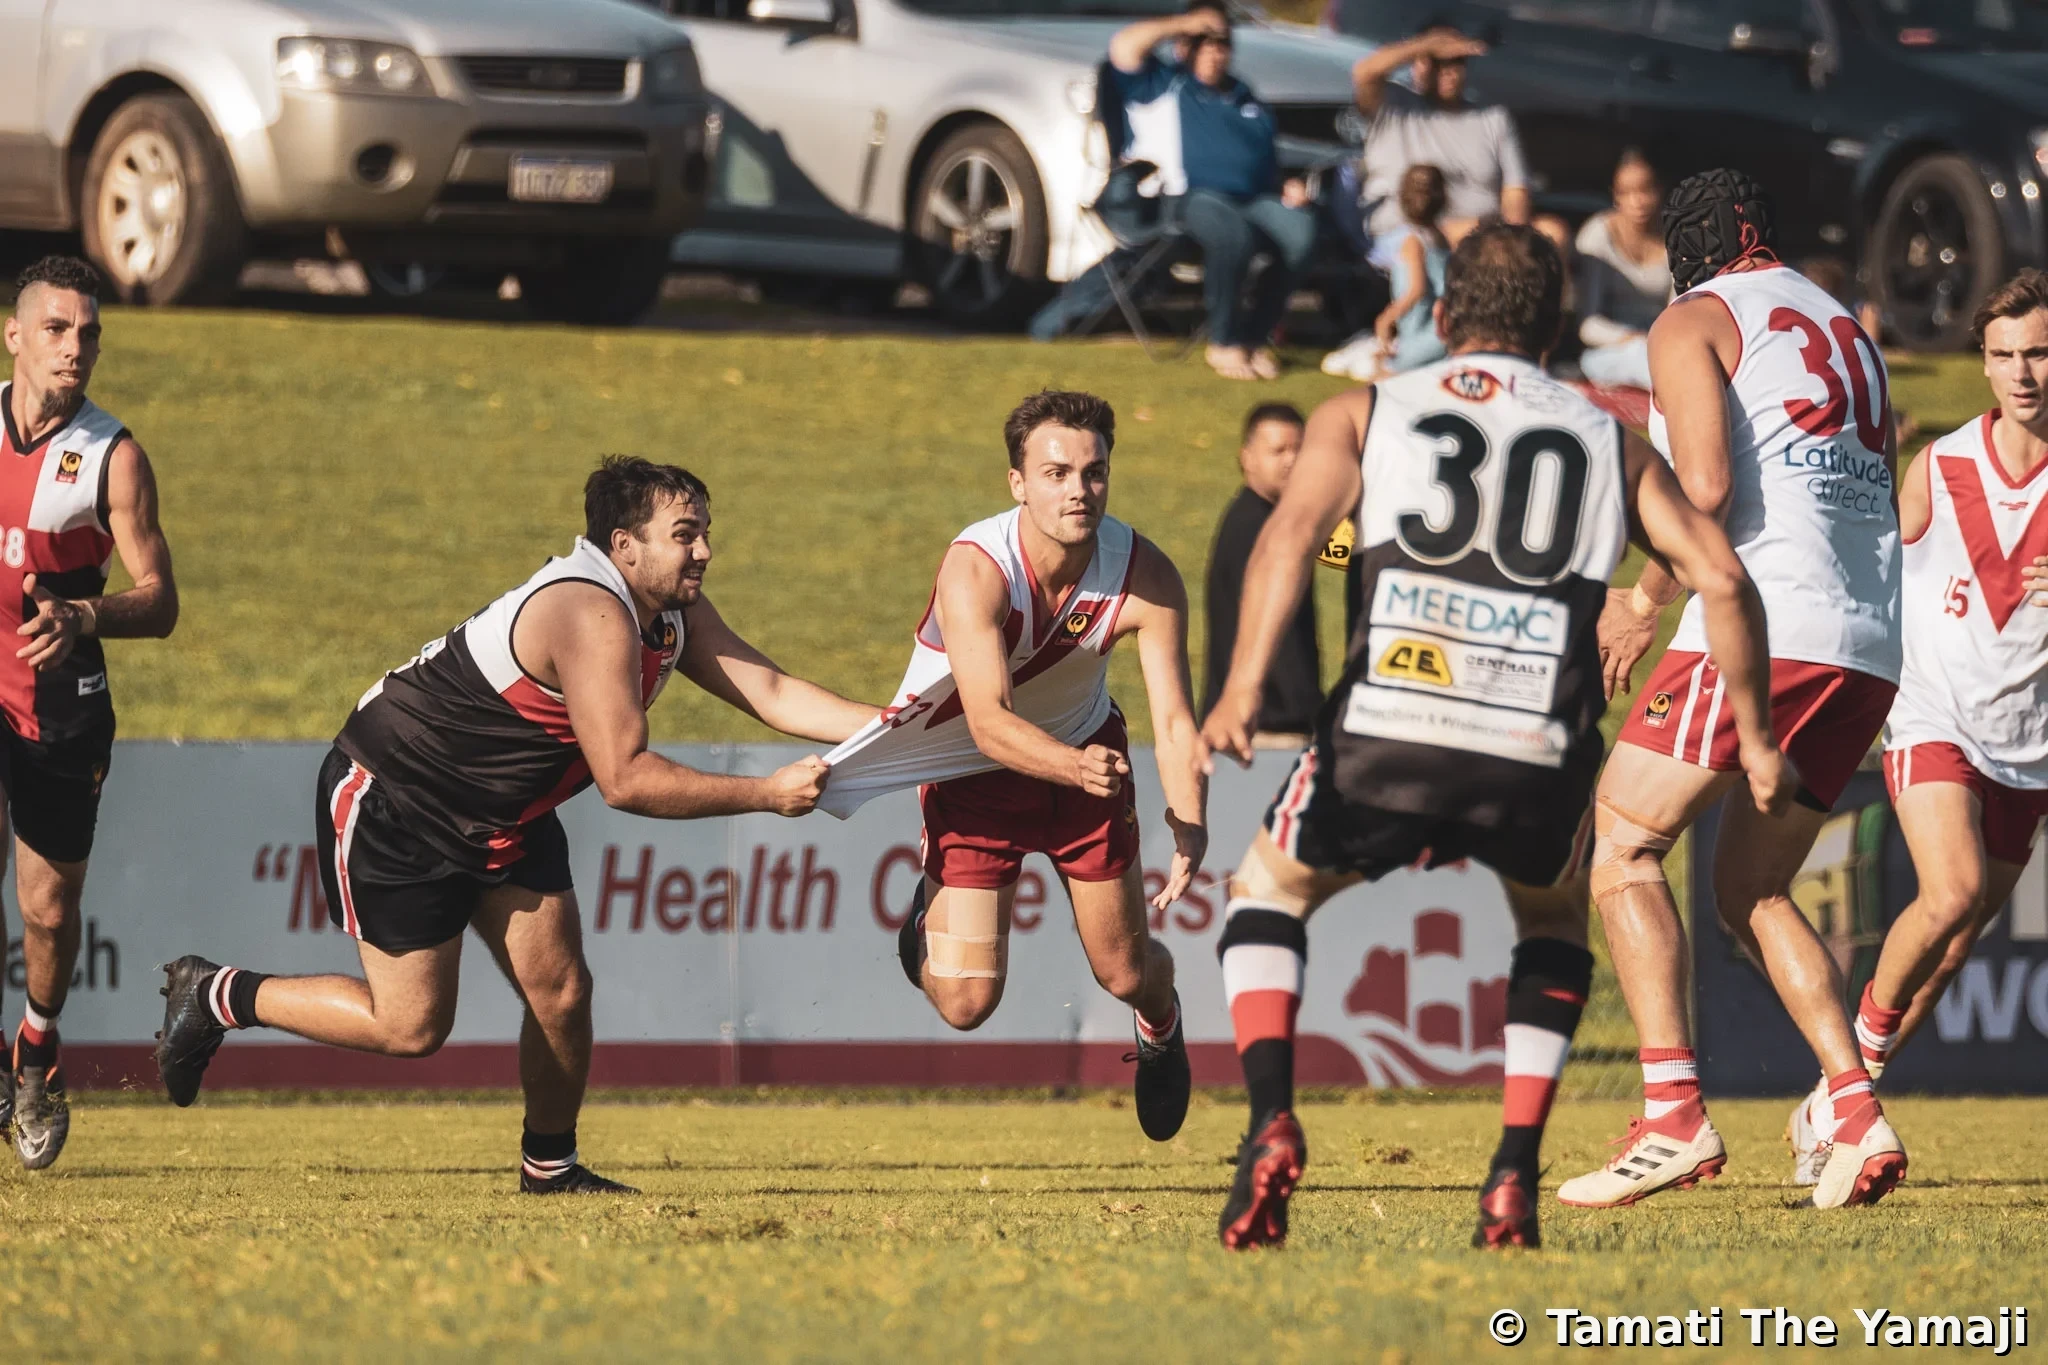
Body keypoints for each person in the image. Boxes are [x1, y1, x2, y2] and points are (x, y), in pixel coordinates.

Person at [1199, 223, 1790, 1251]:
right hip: (1531, 745)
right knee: (1554, 922)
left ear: (1439, 317)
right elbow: (1723, 579)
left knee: (1269, 894)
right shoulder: (1608, 436)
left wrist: (1241, 686)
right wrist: (1755, 733)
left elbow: (1290, 536)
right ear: (1556, 325)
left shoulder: (1364, 408)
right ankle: (1511, 1171)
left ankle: (1268, 1121)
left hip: (1385, 727)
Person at [154, 458, 875, 1192]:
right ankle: (218, 993)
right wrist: (766, 792)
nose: (704, 552)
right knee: (410, 1029)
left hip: (507, 812)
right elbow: (624, 779)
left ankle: (550, 1168)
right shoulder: (589, 612)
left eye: (706, 533)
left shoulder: (671, 613)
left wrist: (898, 726)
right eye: (685, 535)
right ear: (624, 545)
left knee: (561, 992)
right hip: (400, 800)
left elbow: (775, 691)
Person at [1568, 170, 1908, 1213]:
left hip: (1771, 619)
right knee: (1746, 892)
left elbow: (1704, 491)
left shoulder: (1691, 318)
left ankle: (1672, 1115)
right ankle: (1851, 1107)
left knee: (1620, 840)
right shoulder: (1836, 317)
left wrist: (1639, 595)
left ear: (1684, 249)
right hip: (1871, 644)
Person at [818, 390, 1208, 1142]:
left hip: (1085, 759)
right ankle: (922, 929)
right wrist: (1073, 768)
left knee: (1126, 973)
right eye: (1056, 472)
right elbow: (989, 723)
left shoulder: (1145, 571)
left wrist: (1189, 813)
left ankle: (1161, 1025)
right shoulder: (977, 570)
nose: (1078, 491)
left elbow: (1176, 716)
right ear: (1017, 483)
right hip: (978, 773)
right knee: (965, 1004)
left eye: (1093, 473)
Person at [1786, 270, 2048, 1183]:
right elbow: (1874, 568)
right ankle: (1847, 1094)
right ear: (1982, 364)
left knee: (1958, 936)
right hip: (1933, 713)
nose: (2024, 373)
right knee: (1952, 890)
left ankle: (1836, 1097)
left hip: (2028, 744)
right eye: (2006, 355)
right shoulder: (1939, 464)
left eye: (2039, 353)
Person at [0, 256, 179, 1171]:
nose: (78, 347)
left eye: (91, 332)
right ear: (17, 334)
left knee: (46, 908)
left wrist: (83, 614)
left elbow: (162, 598)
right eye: (60, 329)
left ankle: (36, 1049)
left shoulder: (113, 453)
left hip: (59, 702)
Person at [1105, 2, 1318, 381]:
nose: (1215, 51)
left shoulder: (1243, 95)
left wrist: (1287, 186)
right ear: (1185, 46)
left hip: (1253, 198)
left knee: (1300, 232)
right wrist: (1187, 22)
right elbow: (1124, 46)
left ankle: (1254, 338)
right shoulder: (1160, 83)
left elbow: (1264, 161)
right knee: (1232, 233)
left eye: (1222, 43)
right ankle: (1224, 341)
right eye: (1204, 42)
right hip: (1183, 199)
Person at [1350, 21, 1568, 255]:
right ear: (1419, 64)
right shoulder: (1393, 106)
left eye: (1457, 62)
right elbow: (1364, 72)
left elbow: (1515, 190)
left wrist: (1514, 238)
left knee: (1554, 233)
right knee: (1468, 240)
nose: (1449, 72)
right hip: (1410, 233)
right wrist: (1427, 44)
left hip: (1488, 233)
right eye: (1439, 62)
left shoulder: (1493, 118)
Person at [1202, 403, 1318, 744]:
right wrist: (1309, 711)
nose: (1291, 460)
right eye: (1278, 450)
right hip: (1267, 730)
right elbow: (1281, 640)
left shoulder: (1265, 520)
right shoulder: (1258, 529)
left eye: (1299, 449)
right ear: (1247, 457)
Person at [1322, 164, 1450, 381]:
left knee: (1383, 380)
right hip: (1439, 331)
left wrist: (1386, 318)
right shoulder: (1440, 238)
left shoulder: (1412, 241)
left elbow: (1416, 289)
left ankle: (1367, 352)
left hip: (1424, 334)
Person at [1575, 149, 1670, 390]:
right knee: (1643, 360)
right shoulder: (1598, 234)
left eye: (1645, 191)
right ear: (1615, 195)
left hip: (1663, 341)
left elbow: (1677, 309)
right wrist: (1631, 339)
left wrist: (1656, 341)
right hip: (1611, 348)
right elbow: (1588, 325)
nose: (1637, 202)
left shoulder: (1675, 238)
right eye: (1626, 193)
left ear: (1659, 190)